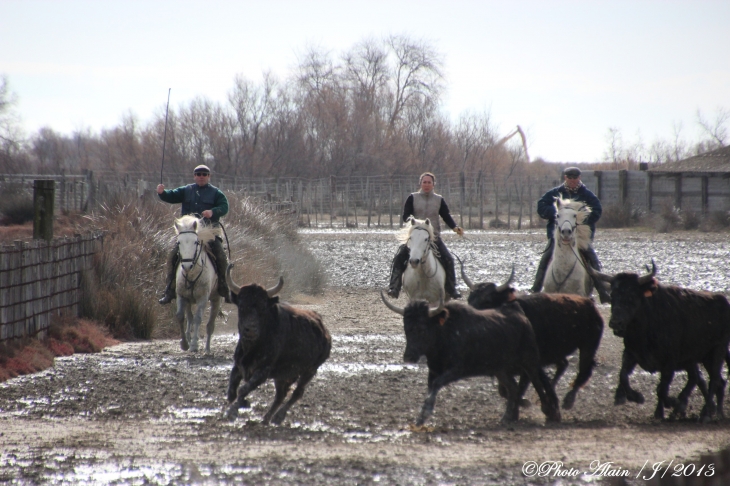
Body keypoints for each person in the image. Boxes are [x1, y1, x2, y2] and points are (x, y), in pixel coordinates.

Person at [531, 167, 611, 303]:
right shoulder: (555, 193)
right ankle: (536, 289)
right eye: (570, 178)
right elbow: (541, 206)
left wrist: (582, 221)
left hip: (579, 237)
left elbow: (597, 210)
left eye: (575, 178)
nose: (572, 180)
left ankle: (602, 292)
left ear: (579, 178)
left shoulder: (587, 195)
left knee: (592, 258)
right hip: (557, 236)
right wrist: (557, 213)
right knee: (546, 257)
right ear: (565, 178)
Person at [157, 164, 232, 304]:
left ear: (209, 176)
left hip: (209, 232)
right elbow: (171, 196)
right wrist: (162, 193)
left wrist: (213, 212)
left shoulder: (216, 193)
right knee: (172, 256)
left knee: (221, 255)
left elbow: (224, 207)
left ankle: (224, 288)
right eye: (198, 174)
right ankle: (170, 290)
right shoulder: (186, 190)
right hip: (189, 233)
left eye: (204, 174)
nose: (201, 176)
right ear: (194, 176)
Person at [387, 172, 464, 300]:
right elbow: (405, 216)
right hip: (416, 238)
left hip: (433, 238)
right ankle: (394, 287)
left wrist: (455, 227)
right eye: (424, 182)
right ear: (420, 183)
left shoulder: (439, 200)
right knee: (399, 258)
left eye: (429, 182)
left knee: (449, 259)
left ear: (433, 184)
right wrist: (414, 221)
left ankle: (451, 289)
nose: (426, 184)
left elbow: (446, 216)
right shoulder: (412, 197)